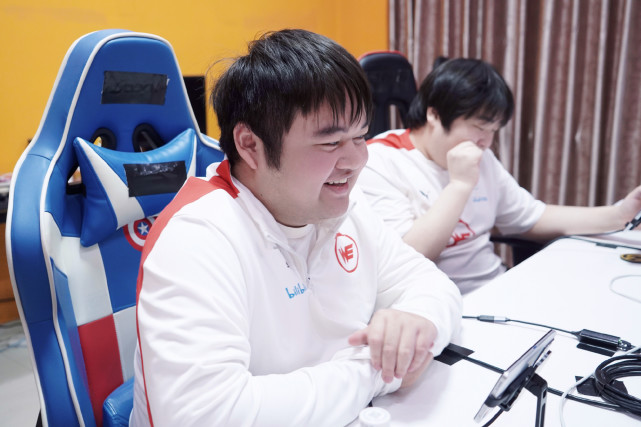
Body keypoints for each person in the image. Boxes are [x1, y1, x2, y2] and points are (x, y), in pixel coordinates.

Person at [131, 30, 462, 427]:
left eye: (360, 137)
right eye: (330, 143)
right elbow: (206, 415)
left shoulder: (343, 207)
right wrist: (377, 369)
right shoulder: (197, 236)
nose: (356, 161)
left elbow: (433, 285)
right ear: (250, 145)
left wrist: (416, 320)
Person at [358, 57, 641, 294]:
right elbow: (409, 256)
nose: (486, 141)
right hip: (435, 308)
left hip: (496, 289)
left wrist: (620, 215)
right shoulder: (379, 162)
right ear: (434, 114)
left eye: (493, 130)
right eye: (479, 127)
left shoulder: (482, 157)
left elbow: (532, 216)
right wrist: (459, 186)